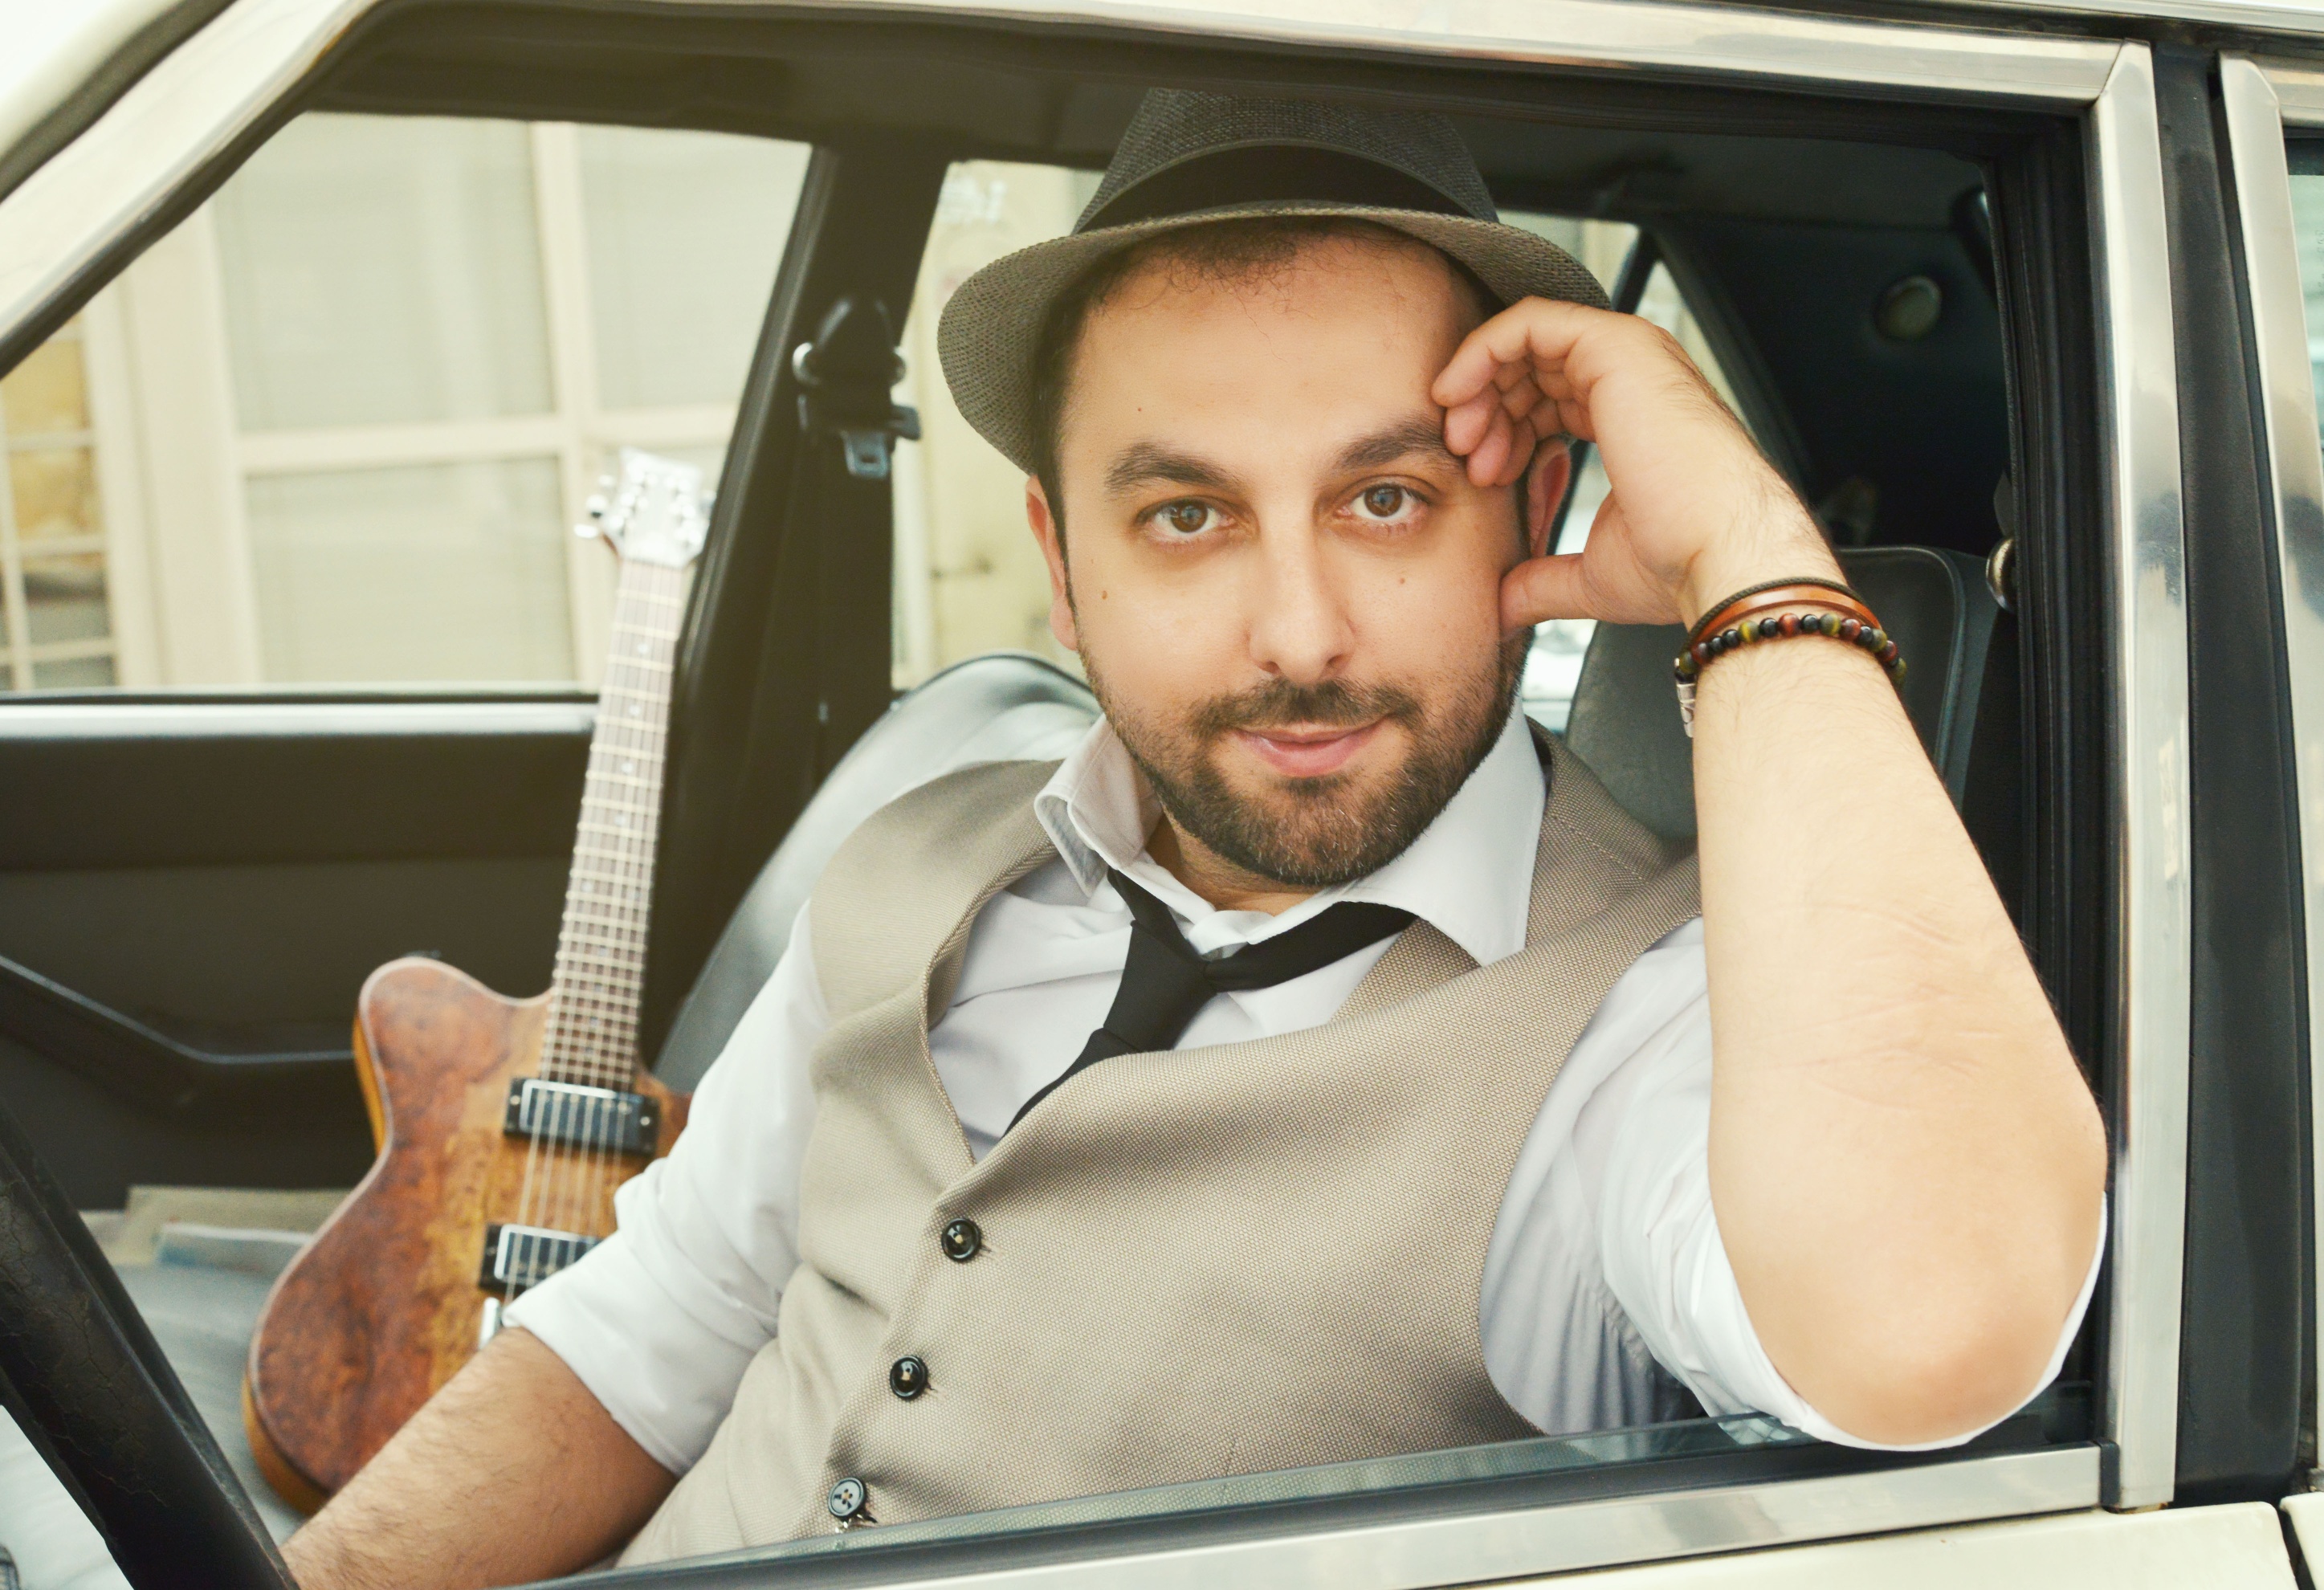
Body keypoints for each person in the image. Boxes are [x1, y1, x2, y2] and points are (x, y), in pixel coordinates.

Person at [283, 92, 2106, 1589]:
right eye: (1184, 517)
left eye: (1385, 498)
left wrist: (1751, 572)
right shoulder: (914, 859)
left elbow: (1928, 1328)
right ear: (1061, 564)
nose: (1297, 633)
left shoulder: (1646, 1023)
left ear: (1532, 510)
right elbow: (653, 1332)